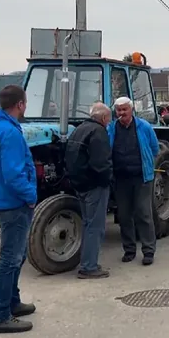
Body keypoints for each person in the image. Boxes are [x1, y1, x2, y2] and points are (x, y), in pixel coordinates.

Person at [0, 85, 37, 334]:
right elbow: (14, 174)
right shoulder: (10, 132)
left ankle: (12, 301)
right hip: (13, 203)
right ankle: (0, 315)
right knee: (10, 259)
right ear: (20, 104)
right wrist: (30, 196)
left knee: (17, 255)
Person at [108, 96, 160, 266]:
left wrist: (146, 165)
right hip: (121, 179)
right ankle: (129, 250)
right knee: (124, 216)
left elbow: (154, 148)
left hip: (141, 178)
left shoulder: (144, 126)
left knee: (143, 214)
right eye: (119, 110)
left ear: (131, 109)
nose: (121, 113)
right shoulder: (112, 128)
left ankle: (148, 251)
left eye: (125, 109)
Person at [64, 102, 113, 279]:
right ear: (104, 118)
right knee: (95, 226)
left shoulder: (79, 129)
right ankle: (89, 267)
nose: (109, 122)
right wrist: (108, 180)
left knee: (87, 223)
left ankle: (87, 261)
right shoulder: (99, 132)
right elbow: (101, 163)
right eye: (109, 119)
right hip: (95, 186)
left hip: (80, 185)